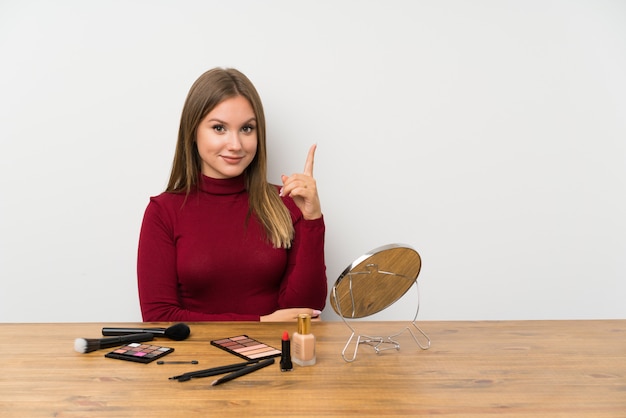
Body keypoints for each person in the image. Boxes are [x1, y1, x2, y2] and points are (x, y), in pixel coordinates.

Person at [137, 68, 327, 322]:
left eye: (247, 129)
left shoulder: (285, 203)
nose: (236, 144)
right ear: (193, 132)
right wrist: (260, 323)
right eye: (219, 128)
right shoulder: (163, 212)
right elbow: (159, 317)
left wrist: (312, 219)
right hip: (196, 360)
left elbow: (305, 312)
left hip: (274, 357)